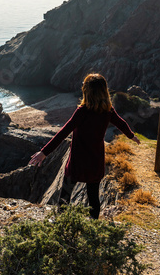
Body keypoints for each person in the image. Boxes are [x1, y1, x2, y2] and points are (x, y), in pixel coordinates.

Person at [28, 73, 140, 219]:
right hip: (95, 162)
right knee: (93, 198)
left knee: (65, 197)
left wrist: (44, 152)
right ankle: (93, 226)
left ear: (87, 91)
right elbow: (122, 123)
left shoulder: (82, 111)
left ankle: (61, 225)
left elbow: (63, 133)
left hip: (77, 163)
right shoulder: (108, 111)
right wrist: (131, 136)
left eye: (83, 85)